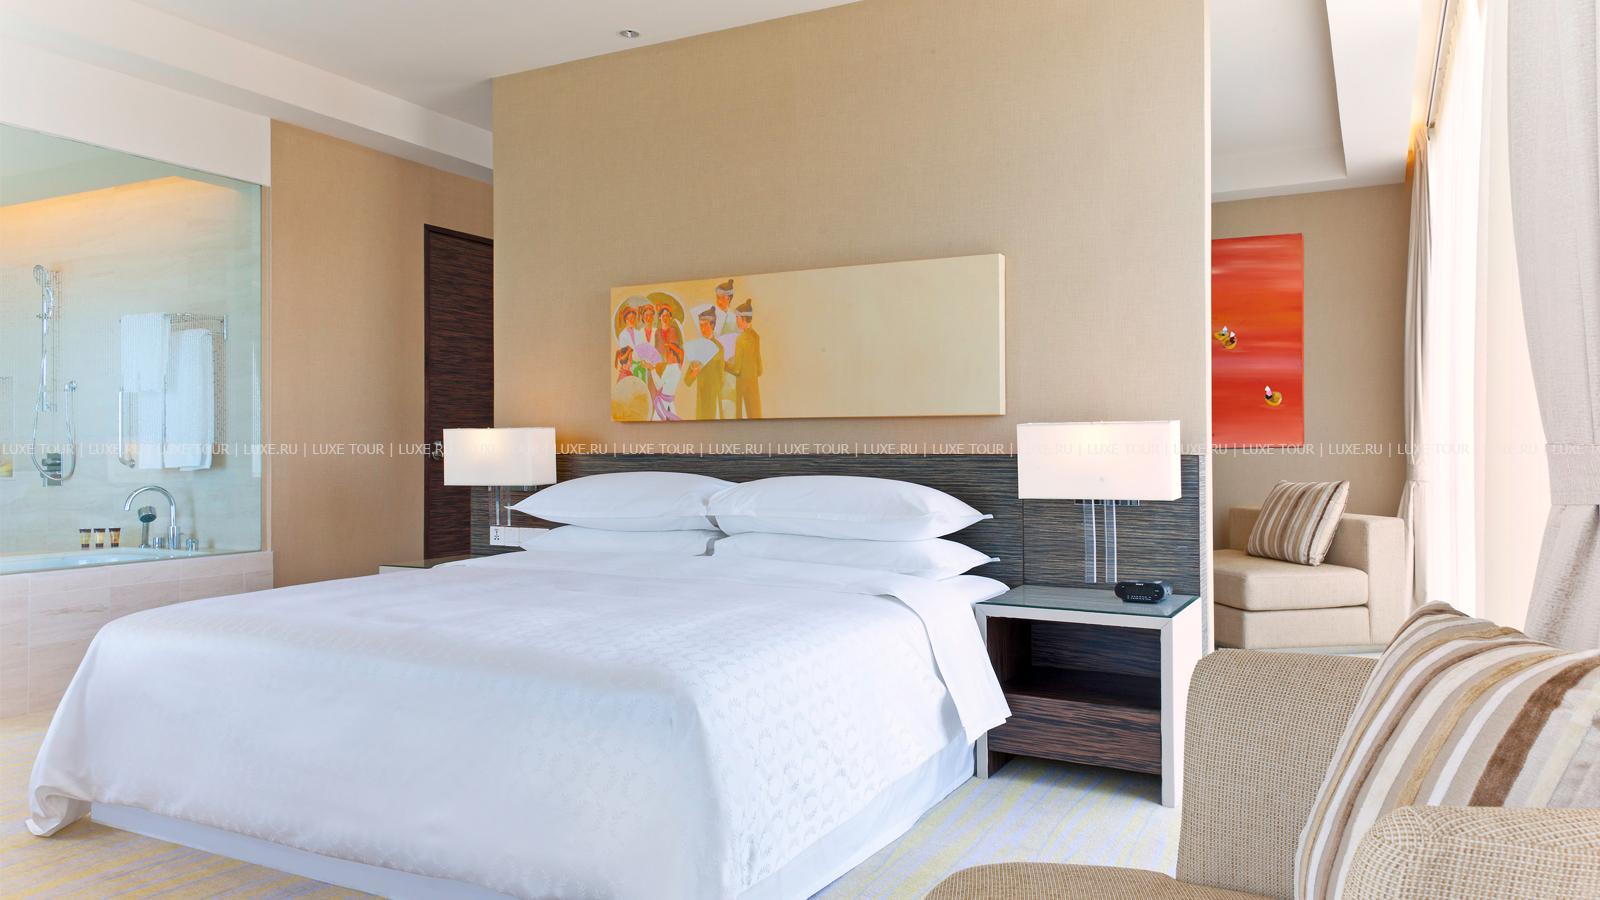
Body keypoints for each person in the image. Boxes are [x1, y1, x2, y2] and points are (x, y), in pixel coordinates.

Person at [682, 307, 725, 420]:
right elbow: (687, 381)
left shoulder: (719, 348)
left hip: (714, 398)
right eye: (701, 325)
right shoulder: (697, 347)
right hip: (701, 399)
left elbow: (721, 379)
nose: (702, 329)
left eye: (705, 325)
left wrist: (715, 390)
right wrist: (694, 373)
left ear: (712, 325)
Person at [724, 299, 763, 418]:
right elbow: (760, 370)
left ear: (743, 319)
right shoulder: (756, 336)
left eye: (737, 318)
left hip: (743, 389)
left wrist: (724, 364)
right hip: (753, 388)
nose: (736, 321)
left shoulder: (741, 339)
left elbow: (737, 370)